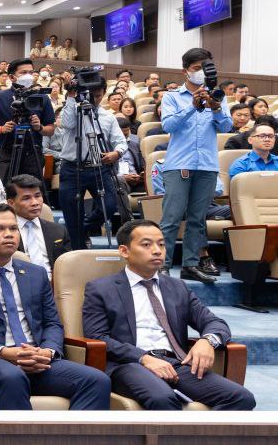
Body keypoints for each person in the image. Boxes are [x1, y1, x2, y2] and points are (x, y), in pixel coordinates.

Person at [0, 203, 110, 410]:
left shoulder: (36, 273)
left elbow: (52, 323)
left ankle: (67, 433)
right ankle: (23, 434)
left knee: (96, 380)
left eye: (13, 228)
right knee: (13, 376)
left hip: (37, 357)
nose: (9, 234)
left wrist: (48, 351)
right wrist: (4, 352)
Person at [82, 220, 254, 410]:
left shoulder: (177, 287)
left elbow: (214, 322)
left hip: (177, 363)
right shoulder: (101, 289)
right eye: (146, 244)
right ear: (124, 251)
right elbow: (97, 337)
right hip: (130, 364)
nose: (157, 251)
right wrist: (143, 358)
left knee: (241, 398)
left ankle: (200, 431)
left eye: (161, 244)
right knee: (162, 398)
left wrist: (208, 341)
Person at [156, 48, 234, 283]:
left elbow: (226, 127)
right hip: (179, 163)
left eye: (205, 68)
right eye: (196, 68)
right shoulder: (172, 97)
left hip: (207, 165)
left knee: (198, 220)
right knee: (171, 218)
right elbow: (168, 126)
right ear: (185, 71)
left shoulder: (218, 96)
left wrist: (215, 107)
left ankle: (190, 265)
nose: (201, 72)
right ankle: (162, 266)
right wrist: (192, 106)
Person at [52, 77, 126, 250]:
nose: (94, 99)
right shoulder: (72, 111)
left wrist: (116, 153)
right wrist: (71, 96)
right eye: (90, 95)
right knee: (72, 212)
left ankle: (81, 229)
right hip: (72, 168)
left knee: (109, 205)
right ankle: (78, 249)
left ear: (104, 94)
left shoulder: (107, 117)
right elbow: (67, 124)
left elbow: (121, 142)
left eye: (98, 95)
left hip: (99, 167)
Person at [0, 57, 55, 181]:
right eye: (23, 72)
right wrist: (1, 129)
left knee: (32, 190)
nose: (28, 76)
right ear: (11, 77)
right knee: (4, 189)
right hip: (7, 154)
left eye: (31, 72)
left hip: (32, 154)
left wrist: (39, 127)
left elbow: (51, 129)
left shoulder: (42, 97)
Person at [4, 175, 69, 276]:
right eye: (26, 198)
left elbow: (67, 266)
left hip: (53, 282)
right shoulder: (3, 233)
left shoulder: (58, 230)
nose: (35, 203)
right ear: (11, 203)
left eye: (38, 196)